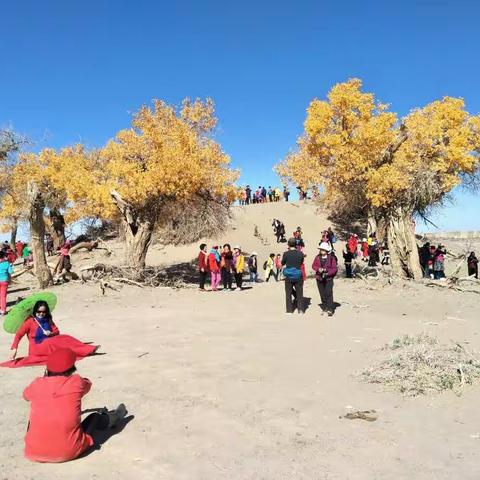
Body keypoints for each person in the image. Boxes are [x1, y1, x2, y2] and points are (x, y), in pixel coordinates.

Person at [23, 347, 127, 463]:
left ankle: (40, 444)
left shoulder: (37, 384)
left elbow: (25, 396)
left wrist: (44, 381)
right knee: (95, 417)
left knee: (37, 418)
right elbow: (88, 384)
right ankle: (115, 417)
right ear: (72, 368)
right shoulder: (76, 382)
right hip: (68, 452)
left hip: (32, 452)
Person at [4, 301, 98, 368]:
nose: (41, 314)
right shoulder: (29, 321)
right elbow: (19, 335)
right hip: (37, 347)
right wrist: (14, 349)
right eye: (39, 312)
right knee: (54, 343)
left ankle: (86, 348)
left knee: (65, 338)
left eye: (43, 312)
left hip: (49, 341)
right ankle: (86, 351)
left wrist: (51, 333)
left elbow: (57, 331)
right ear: (35, 311)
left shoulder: (48, 319)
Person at [312, 242, 338, 316]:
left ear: (326, 250)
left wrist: (327, 272)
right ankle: (325, 307)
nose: (321, 251)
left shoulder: (332, 258)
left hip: (328, 279)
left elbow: (334, 269)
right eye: (321, 249)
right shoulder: (317, 257)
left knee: (328, 293)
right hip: (319, 278)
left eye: (323, 249)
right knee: (322, 294)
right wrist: (318, 269)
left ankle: (330, 309)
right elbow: (313, 265)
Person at [282, 238, 305, 314]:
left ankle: (289, 310)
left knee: (288, 294)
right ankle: (300, 310)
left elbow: (282, 263)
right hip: (298, 275)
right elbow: (301, 262)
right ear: (296, 245)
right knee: (299, 293)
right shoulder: (300, 253)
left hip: (289, 276)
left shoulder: (286, 254)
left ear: (288, 244)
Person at [0, 250, 13, 315]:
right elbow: (11, 272)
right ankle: (3, 311)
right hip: (4, 281)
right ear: (3, 256)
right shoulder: (6, 263)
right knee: (3, 296)